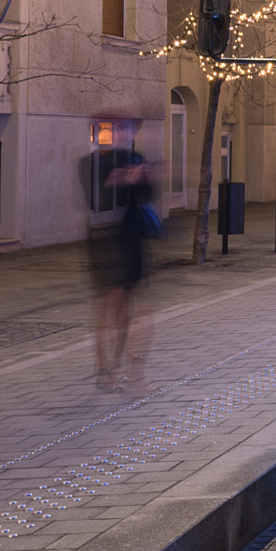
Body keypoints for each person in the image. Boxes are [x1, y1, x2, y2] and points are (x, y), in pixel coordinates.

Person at [93, 152, 159, 392]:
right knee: (113, 313)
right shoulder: (97, 160)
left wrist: (142, 179)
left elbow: (148, 196)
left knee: (130, 314)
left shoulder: (135, 155)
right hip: (108, 247)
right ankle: (108, 372)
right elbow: (96, 196)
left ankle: (122, 371)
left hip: (134, 245)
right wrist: (122, 180)